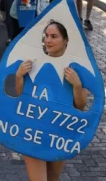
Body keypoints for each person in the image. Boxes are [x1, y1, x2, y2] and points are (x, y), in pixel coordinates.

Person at [15, 20, 87, 181]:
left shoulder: (76, 68)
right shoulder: (34, 63)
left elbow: (81, 106)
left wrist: (77, 85)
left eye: (54, 36)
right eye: (46, 36)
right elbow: (22, 96)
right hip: (33, 132)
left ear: (65, 40)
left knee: (53, 178)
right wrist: (19, 76)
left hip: (58, 133)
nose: (48, 40)